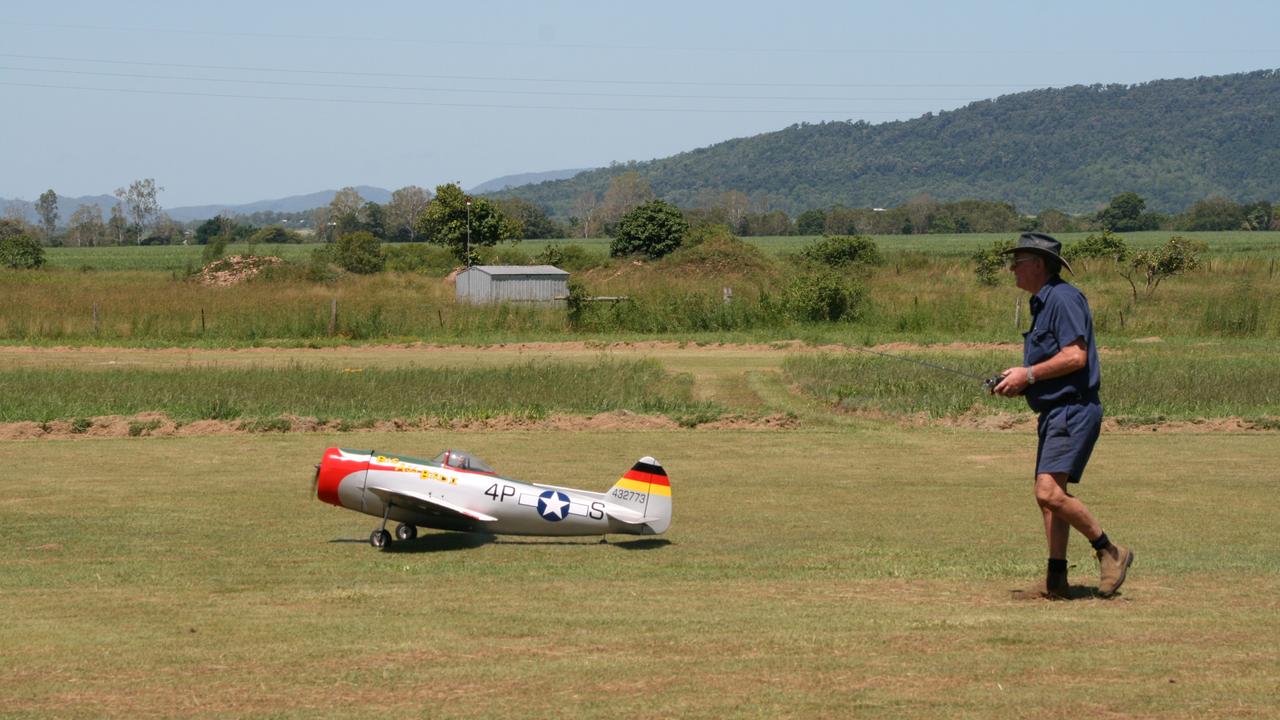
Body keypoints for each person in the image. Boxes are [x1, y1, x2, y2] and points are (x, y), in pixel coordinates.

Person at [992, 232, 1133, 599]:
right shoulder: (1043, 302)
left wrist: (1031, 374)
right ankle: (1056, 577)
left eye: (1017, 262)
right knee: (1049, 497)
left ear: (1038, 264)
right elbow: (1053, 361)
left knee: (1049, 492)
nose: (1012, 269)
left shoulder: (1064, 298)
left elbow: (1076, 357)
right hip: (1055, 410)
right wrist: (1021, 379)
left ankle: (1110, 550)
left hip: (1073, 409)